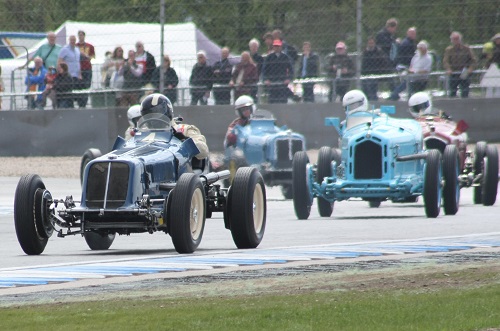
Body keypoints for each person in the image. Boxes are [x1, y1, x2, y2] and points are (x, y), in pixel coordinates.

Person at [140, 93, 209, 160]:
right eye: (149, 115)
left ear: (167, 110)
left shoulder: (184, 129)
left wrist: (185, 140)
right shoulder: (141, 132)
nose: (153, 118)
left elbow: (204, 151)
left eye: (157, 113)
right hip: (146, 163)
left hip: (179, 167)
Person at [443, 31, 477, 98]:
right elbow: (445, 61)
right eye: (454, 39)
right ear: (451, 40)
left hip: (464, 72)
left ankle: (465, 105)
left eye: (457, 39)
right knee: (452, 91)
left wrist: (470, 69)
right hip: (454, 73)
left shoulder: (466, 48)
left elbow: (473, 60)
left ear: (460, 39)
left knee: (465, 91)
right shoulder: (449, 50)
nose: (456, 41)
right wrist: (448, 69)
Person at [262, 39, 294, 104]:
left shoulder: (285, 57)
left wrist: (288, 79)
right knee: (272, 101)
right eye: (275, 46)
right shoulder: (269, 57)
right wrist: (266, 79)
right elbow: (264, 70)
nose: (277, 48)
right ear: (273, 47)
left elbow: (291, 70)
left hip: (282, 83)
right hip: (272, 83)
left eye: (278, 46)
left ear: (281, 47)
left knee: (283, 101)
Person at [58, 35, 81, 108]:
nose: (73, 41)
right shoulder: (64, 49)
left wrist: (80, 74)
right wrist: (61, 72)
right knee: (68, 93)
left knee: (75, 93)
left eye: (74, 40)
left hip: (76, 75)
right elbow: (60, 61)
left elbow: (78, 62)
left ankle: (74, 107)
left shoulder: (77, 49)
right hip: (68, 76)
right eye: (71, 40)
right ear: (69, 40)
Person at [361, 37, 388, 101]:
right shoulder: (365, 52)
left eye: (372, 43)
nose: (371, 44)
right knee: (365, 87)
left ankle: (373, 101)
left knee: (372, 87)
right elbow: (363, 64)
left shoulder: (378, 52)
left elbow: (383, 62)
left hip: (376, 73)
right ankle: (368, 100)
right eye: (369, 43)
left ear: (374, 43)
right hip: (366, 74)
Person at [75, 30, 95, 108]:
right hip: (78, 68)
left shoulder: (89, 46)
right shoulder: (75, 46)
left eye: (82, 35)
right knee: (78, 86)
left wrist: (86, 56)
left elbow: (93, 56)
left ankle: (84, 103)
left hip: (87, 68)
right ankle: (79, 102)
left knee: (86, 86)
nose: (80, 37)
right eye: (79, 35)